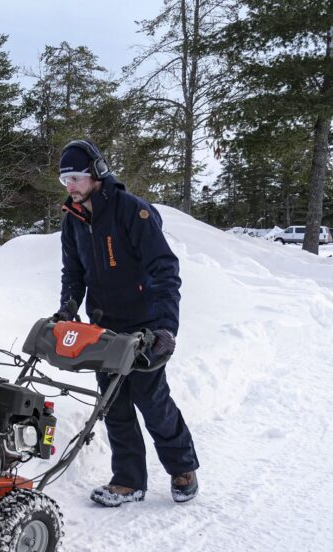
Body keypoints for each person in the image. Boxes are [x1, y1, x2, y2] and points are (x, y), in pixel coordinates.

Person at [56, 140, 199, 506]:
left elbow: (164, 270)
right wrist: (67, 311)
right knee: (113, 402)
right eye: (65, 180)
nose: (70, 186)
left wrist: (166, 327)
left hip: (145, 326)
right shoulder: (73, 220)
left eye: (76, 177)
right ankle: (128, 480)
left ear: (97, 173)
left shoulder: (132, 212)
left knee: (152, 401)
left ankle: (182, 467)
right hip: (103, 327)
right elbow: (73, 273)